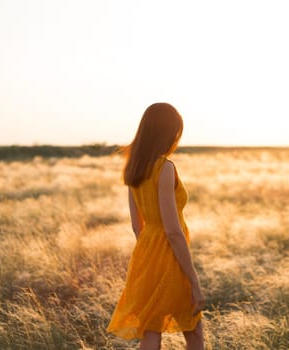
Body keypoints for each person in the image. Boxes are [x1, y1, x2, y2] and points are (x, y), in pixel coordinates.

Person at [107, 103, 205, 350]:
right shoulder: (165, 168)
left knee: (151, 330)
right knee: (193, 330)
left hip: (146, 255)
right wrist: (193, 280)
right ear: (168, 134)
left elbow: (136, 226)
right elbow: (172, 231)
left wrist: (150, 255)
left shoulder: (134, 167)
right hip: (170, 257)